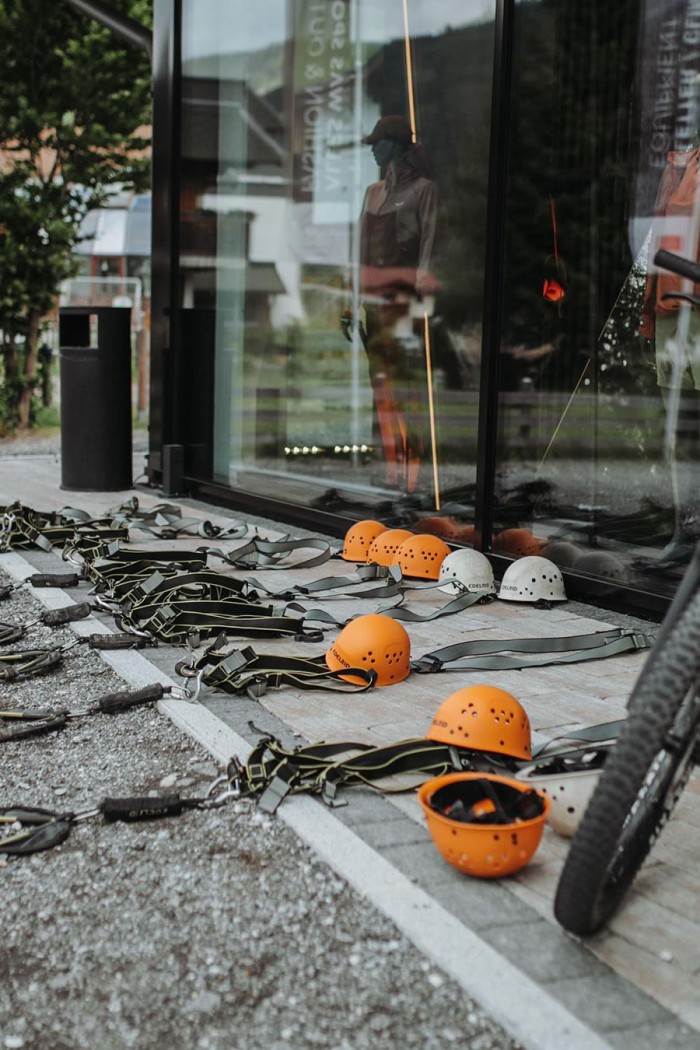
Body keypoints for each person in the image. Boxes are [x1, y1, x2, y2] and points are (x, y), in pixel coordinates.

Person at [345, 115, 439, 491]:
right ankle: (392, 467)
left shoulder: (424, 190)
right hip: (372, 304)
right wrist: (349, 303)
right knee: (381, 389)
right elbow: (358, 250)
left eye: (377, 143)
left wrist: (423, 295)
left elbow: (430, 246)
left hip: (402, 304)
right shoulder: (372, 193)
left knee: (406, 390)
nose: (371, 148)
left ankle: (414, 469)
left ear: (396, 145)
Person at [640, 144, 700, 566]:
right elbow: (658, 240)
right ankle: (689, 528)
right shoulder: (676, 167)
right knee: (680, 431)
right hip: (671, 315)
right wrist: (647, 309)